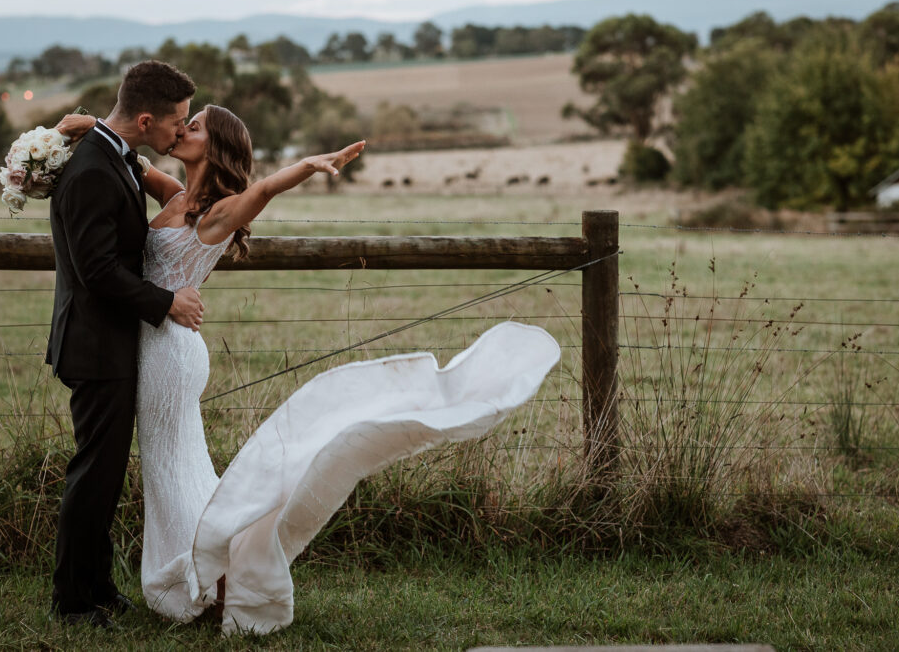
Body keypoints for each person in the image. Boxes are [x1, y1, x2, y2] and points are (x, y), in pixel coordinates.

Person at [56, 104, 560, 636]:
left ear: (216, 147)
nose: (182, 130)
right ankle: (218, 575)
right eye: (184, 123)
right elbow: (129, 159)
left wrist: (310, 165)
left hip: (170, 354)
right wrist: (90, 127)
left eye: (195, 126)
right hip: (158, 344)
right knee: (176, 464)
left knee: (169, 466)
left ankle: (210, 580)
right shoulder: (175, 195)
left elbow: (266, 189)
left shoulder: (222, 211)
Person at [46, 60, 204, 628]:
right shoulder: (92, 169)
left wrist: (91, 126)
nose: (180, 133)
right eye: (176, 123)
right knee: (93, 474)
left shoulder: (112, 153)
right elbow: (97, 271)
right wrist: (167, 303)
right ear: (145, 119)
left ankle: (98, 586)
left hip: (110, 342)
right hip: (94, 346)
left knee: (106, 473)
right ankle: (73, 602)